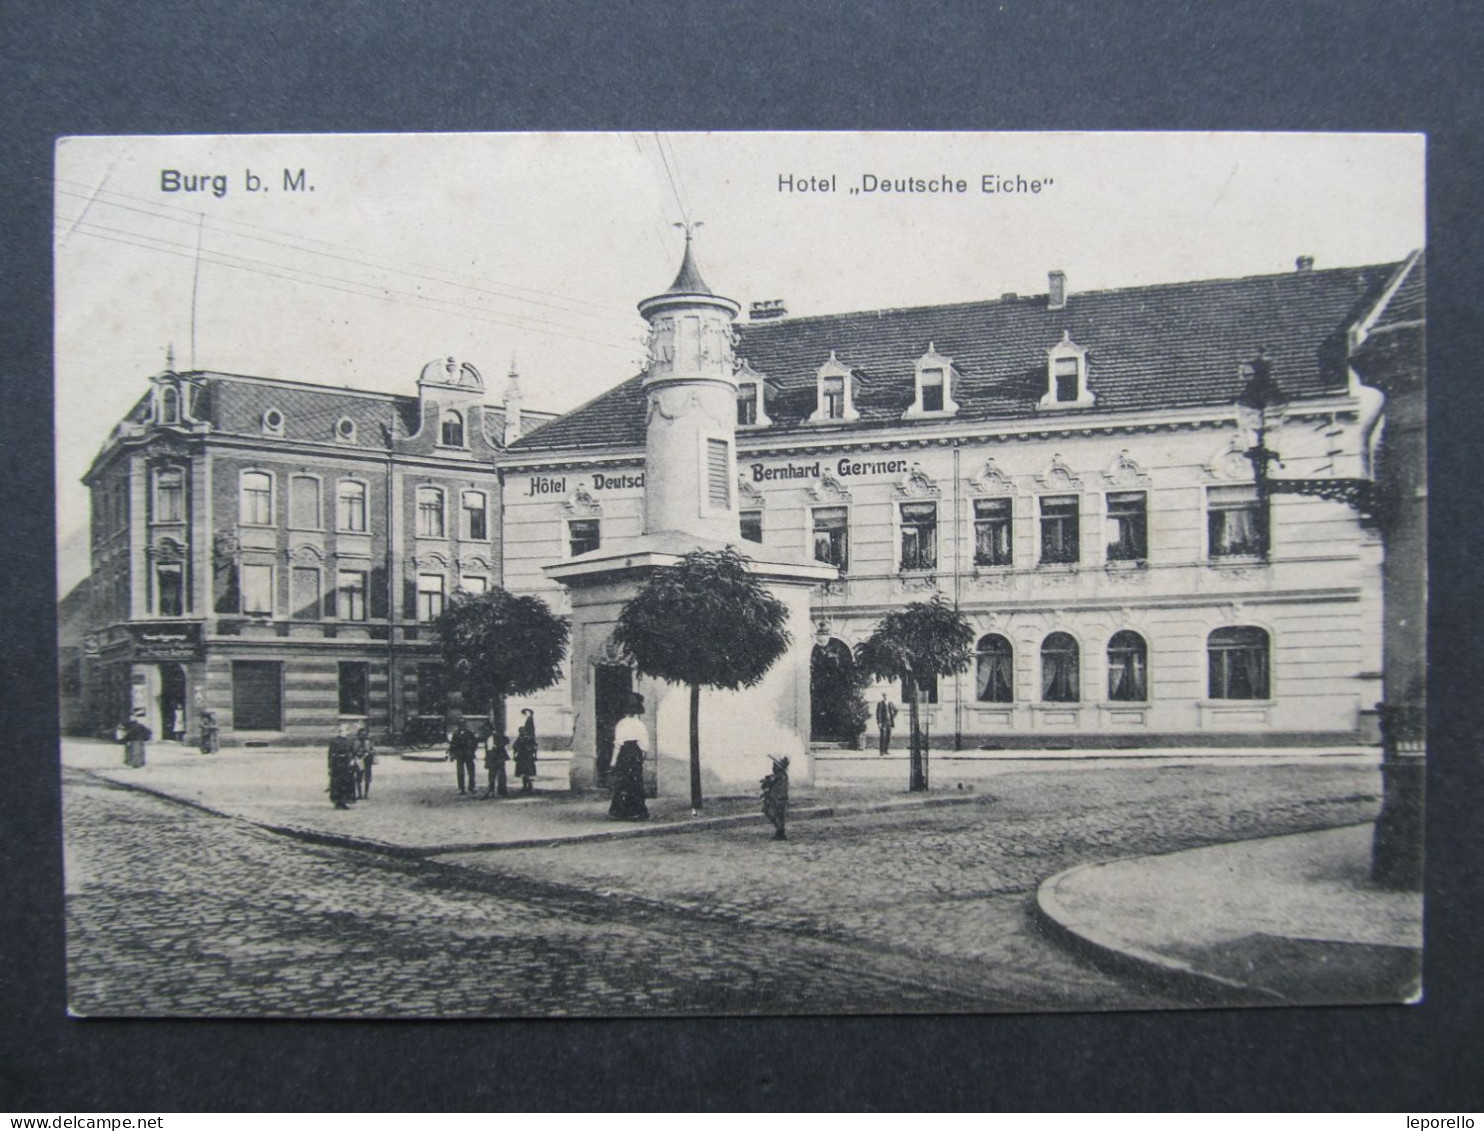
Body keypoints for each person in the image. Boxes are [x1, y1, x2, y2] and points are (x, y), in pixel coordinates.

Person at [608, 694, 649, 821]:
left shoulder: (621, 724)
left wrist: (613, 761)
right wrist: (643, 754)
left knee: (623, 782)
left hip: (624, 754)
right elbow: (645, 744)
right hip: (635, 754)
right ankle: (637, 811)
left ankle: (620, 811)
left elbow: (618, 744)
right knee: (636, 782)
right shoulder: (640, 725)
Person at [327, 722, 358, 809]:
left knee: (347, 782)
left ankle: (344, 802)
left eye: (345, 730)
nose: (344, 732)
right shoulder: (334, 741)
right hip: (337, 764)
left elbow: (353, 753)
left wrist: (352, 760)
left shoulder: (349, 741)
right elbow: (330, 755)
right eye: (342, 730)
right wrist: (329, 766)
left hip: (347, 764)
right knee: (337, 783)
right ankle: (338, 802)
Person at [761, 755, 790, 841]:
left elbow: (772, 780)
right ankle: (780, 831)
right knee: (778, 815)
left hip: (777, 799)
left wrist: (767, 780)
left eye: (775, 765)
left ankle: (780, 832)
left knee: (772, 812)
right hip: (780, 798)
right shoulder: (782, 775)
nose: (773, 767)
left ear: (779, 767)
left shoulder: (780, 775)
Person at [448, 721, 480, 795]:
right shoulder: (456, 734)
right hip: (460, 756)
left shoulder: (469, 733)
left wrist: (472, 751)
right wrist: (452, 754)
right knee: (460, 772)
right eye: (460, 724)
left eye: (463, 724)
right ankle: (461, 788)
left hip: (469, 755)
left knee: (471, 772)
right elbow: (453, 744)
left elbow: (475, 743)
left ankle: (471, 787)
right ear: (459, 725)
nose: (462, 726)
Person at [513, 709, 538, 794]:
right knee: (523, 772)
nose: (522, 733)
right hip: (521, 757)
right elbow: (514, 746)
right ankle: (525, 786)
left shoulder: (528, 738)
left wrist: (534, 754)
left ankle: (530, 786)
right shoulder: (519, 739)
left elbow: (534, 746)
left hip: (527, 756)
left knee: (528, 772)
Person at [483, 727, 510, 798]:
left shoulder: (498, 736)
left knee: (501, 775)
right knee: (491, 775)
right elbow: (487, 750)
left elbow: (507, 740)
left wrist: (498, 746)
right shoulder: (487, 739)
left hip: (499, 758)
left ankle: (502, 791)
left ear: (491, 730)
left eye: (487, 730)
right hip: (491, 758)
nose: (486, 732)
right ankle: (491, 791)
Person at [355, 724, 376, 799]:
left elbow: (354, 751)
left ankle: (363, 794)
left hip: (363, 761)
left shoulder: (359, 742)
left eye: (365, 734)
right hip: (363, 761)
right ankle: (363, 794)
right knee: (363, 778)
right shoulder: (366, 742)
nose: (364, 735)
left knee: (361, 778)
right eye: (362, 734)